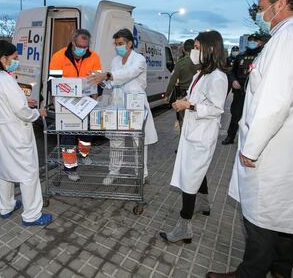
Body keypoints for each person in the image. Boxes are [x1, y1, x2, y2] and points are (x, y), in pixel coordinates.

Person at [207, 0, 293, 278]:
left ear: (280, 5)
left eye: (262, 8)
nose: (259, 13)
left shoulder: (288, 38)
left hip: (274, 149)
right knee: (286, 220)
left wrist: (251, 148)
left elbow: (275, 101)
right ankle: (280, 271)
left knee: (262, 218)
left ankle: (249, 274)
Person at [159, 30, 228, 244]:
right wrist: (183, 100)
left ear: (209, 49)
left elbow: (217, 108)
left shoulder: (218, 77)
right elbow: (195, 96)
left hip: (202, 134)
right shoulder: (201, 73)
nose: (193, 51)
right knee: (197, 170)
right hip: (192, 131)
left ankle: (184, 227)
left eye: (197, 48)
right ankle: (204, 203)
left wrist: (189, 105)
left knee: (189, 177)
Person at [0, 40, 52, 226]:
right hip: (15, 132)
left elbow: (5, 102)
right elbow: (21, 112)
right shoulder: (6, 80)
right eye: (14, 57)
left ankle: (6, 207)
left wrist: (23, 101)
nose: (17, 60)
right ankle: (32, 215)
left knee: (3, 171)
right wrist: (38, 112)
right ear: (4, 58)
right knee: (28, 173)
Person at [88, 28, 158, 185]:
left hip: (135, 105)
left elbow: (130, 73)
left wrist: (107, 75)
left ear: (129, 43)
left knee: (138, 141)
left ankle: (141, 173)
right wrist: (103, 80)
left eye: (120, 43)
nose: (117, 46)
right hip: (118, 104)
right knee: (116, 139)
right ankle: (114, 171)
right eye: (116, 44)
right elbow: (113, 82)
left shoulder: (139, 59)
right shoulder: (115, 61)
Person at [49, 29, 102, 182]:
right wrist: (56, 106)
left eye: (85, 47)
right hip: (65, 103)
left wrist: (94, 100)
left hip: (85, 102)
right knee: (68, 137)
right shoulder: (58, 57)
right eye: (80, 46)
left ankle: (84, 154)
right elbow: (53, 83)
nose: (82, 50)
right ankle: (70, 168)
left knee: (85, 135)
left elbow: (97, 81)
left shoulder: (94, 57)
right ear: (73, 43)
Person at [222, 34, 263, 145]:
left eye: (255, 40)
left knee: (253, 117)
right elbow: (232, 72)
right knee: (236, 115)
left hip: (255, 94)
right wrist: (234, 80)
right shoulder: (240, 56)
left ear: (260, 43)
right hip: (239, 93)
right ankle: (230, 137)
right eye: (250, 40)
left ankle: (250, 141)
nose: (252, 42)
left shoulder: (263, 57)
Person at [165, 39, 197, 130]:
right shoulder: (199, 63)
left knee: (182, 121)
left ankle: (183, 139)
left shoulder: (181, 62)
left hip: (183, 95)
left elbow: (173, 80)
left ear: (183, 49)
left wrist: (167, 95)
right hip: (195, 97)